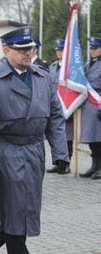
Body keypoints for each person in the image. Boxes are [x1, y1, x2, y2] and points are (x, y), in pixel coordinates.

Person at [0, 26, 69, 254]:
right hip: (7, 151)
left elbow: (55, 116)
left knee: (26, 206)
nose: (28, 54)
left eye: (30, 49)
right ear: (7, 51)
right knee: (16, 208)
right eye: (21, 49)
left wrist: (61, 153)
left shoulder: (42, 77)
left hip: (34, 150)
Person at [47, 39, 72, 174]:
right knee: (54, 134)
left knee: (67, 136)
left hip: (66, 104)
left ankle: (66, 162)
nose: (59, 53)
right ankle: (57, 161)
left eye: (61, 50)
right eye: (57, 50)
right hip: (54, 104)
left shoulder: (70, 68)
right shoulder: (52, 67)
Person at [79, 36, 101, 179]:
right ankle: (94, 165)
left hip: (98, 103)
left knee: (99, 138)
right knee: (91, 138)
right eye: (91, 49)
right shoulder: (87, 65)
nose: (92, 51)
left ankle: (100, 167)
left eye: (96, 48)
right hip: (88, 105)